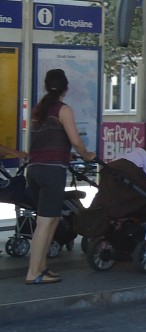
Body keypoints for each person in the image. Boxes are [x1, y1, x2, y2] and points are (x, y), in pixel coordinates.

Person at [24, 68, 95, 285]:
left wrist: (66, 153)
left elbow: (45, 140)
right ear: (66, 88)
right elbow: (75, 140)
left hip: (35, 169)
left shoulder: (39, 109)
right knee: (45, 222)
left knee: (53, 218)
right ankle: (33, 272)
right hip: (51, 171)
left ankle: (42, 266)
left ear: (47, 86)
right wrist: (87, 155)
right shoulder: (63, 110)